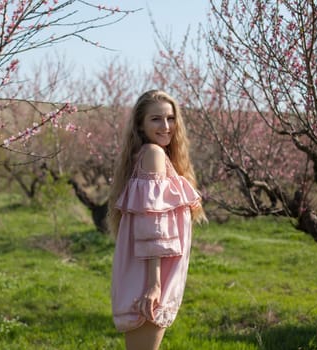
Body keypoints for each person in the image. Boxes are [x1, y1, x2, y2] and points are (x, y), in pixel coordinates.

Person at [107, 89, 207, 349]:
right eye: (156, 119)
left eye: (170, 118)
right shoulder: (153, 155)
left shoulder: (152, 155)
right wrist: (154, 285)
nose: (166, 126)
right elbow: (154, 226)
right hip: (151, 276)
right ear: (140, 124)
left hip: (153, 270)